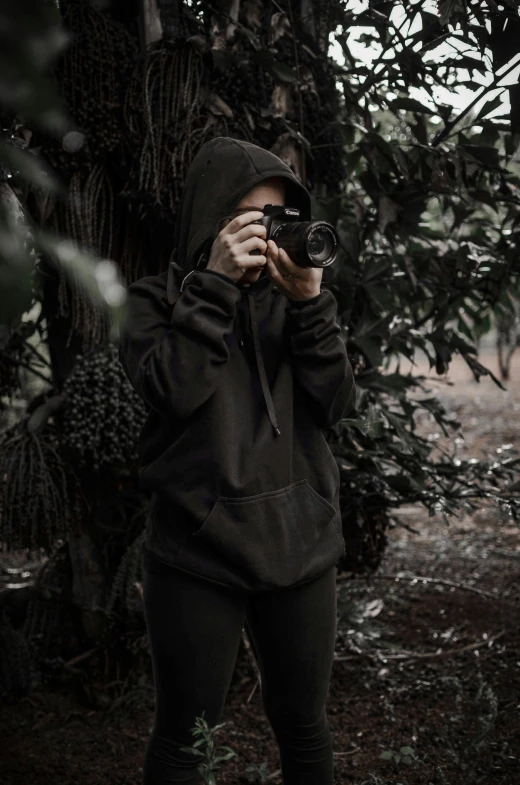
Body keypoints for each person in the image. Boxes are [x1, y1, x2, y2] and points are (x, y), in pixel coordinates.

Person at [118, 136, 356, 784]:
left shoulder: (296, 297)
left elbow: (335, 404)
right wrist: (216, 286)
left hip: (299, 543)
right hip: (198, 551)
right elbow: (174, 389)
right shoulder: (151, 302)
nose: (272, 233)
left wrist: (310, 305)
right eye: (253, 217)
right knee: (185, 739)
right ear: (211, 219)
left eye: (281, 217)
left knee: (305, 726)